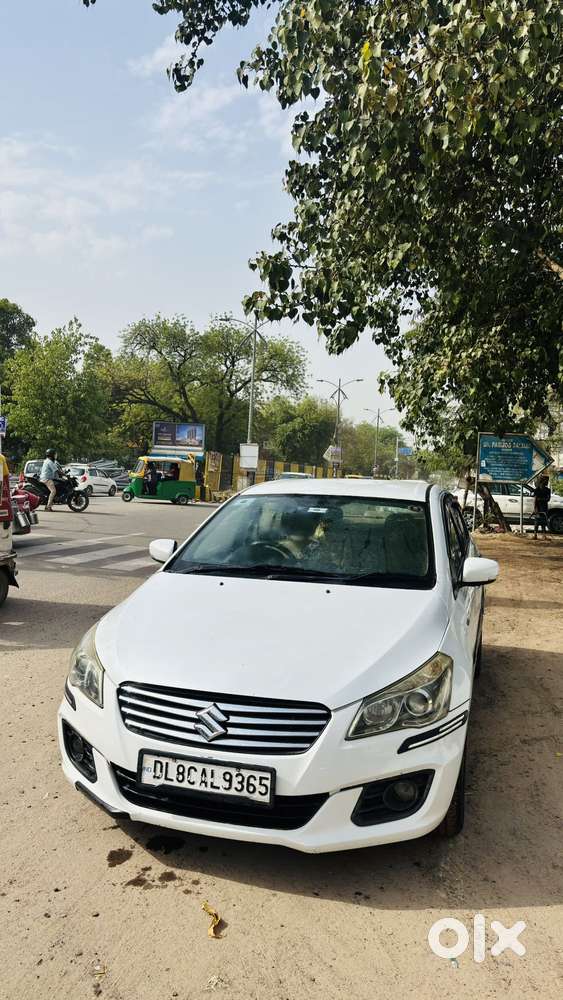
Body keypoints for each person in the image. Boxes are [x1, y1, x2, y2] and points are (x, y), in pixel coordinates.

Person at [532, 475, 551, 541]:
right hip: (538, 507)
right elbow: (535, 500)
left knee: (543, 522)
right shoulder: (537, 490)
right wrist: (535, 508)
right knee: (536, 522)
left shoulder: (548, 490)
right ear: (542, 481)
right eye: (546, 481)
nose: (547, 482)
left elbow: (548, 499)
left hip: (544, 508)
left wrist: (540, 499)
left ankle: (544, 536)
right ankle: (535, 535)